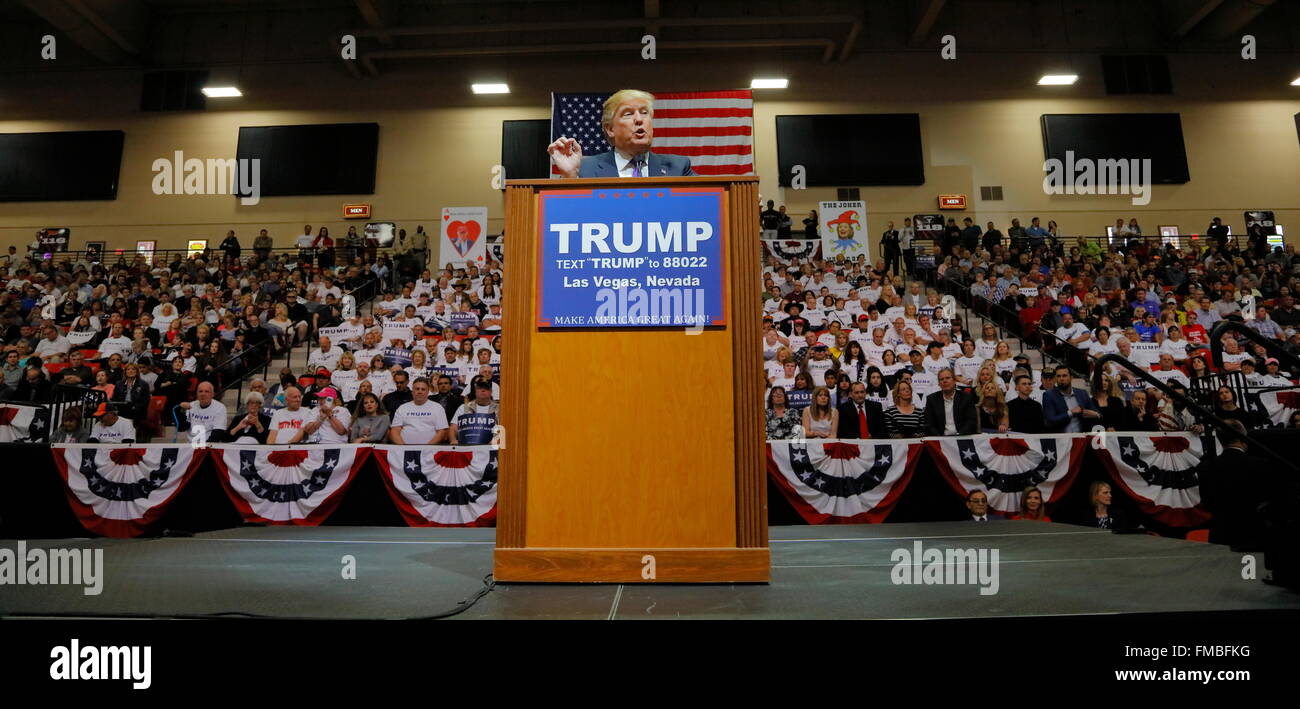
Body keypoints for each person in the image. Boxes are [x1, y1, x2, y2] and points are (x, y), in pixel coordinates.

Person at [547, 89, 696, 178]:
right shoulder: (585, 169)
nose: (639, 119)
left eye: (644, 113)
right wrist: (570, 176)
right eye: (628, 114)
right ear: (610, 129)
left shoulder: (678, 168)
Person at [389, 378, 450, 445]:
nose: (420, 391)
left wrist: (427, 448)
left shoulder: (438, 408)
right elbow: (395, 430)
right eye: (417, 389)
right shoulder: (402, 408)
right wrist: (403, 448)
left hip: (430, 451)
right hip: (405, 450)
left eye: (423, 389)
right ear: (412, 391)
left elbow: (442, 432)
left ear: (428, 391)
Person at [1042, 365, 1100, 433]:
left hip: (1082, 438)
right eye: (1058, 376)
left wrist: (1095, 414)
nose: (1061, 378)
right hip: (1061, 439)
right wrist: (1070, 412)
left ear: (1071, 378)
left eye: (1064, 375)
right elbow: (1050, 420)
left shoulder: (1082, 393)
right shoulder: (1049, 395)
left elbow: (1098, 413)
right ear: (1055, 379)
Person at [923, 369, 977, 436]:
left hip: (962, 437)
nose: (944, 381)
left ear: (954, 381)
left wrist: (959, 435)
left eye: (947, 378)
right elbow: (929, 424)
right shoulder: (931, 399)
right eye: (941, 379)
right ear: (939, 384)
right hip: (940, 440)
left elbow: (971, 421)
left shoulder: (966, 397)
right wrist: (940, 438)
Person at [450, 380, 499, 445]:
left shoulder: (500, 409)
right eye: (479, 388)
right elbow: (453, 427)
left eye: (486, 388)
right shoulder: (464, 407)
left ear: (491, 392)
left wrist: (495, 440)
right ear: (475, 392)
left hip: (492, 446)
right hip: (467, 446)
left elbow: (504, 429)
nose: (483, 390)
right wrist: (453, 440)